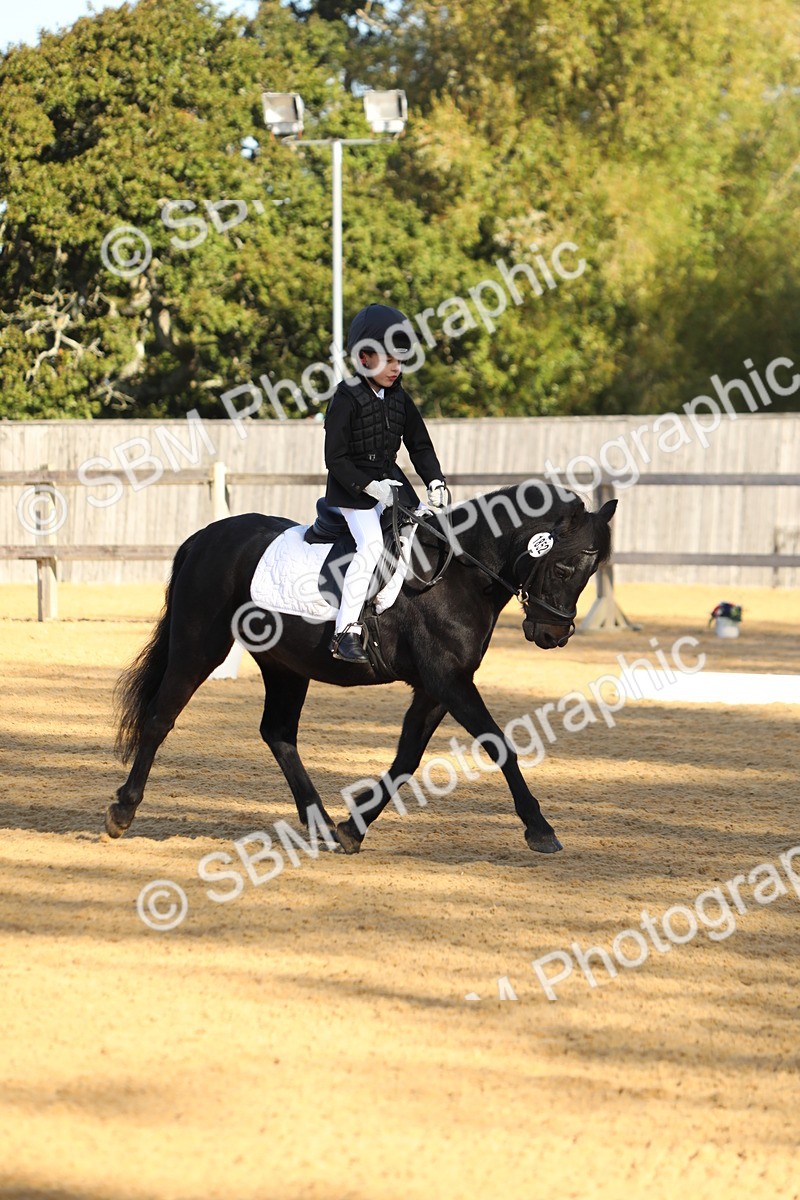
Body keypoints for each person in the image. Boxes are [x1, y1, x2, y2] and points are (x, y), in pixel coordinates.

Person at [323, 303, 448, 664]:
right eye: (389, 360)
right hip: (352, 490)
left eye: (400, 360)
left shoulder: (399, 399)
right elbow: (335, 459)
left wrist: (435, 480)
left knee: (421, 532)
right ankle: (345, 631)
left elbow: (420, 446)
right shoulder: (345, 398)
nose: (396, 368)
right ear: (364, 358)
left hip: (392, 483)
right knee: (372, 545)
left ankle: (384, 605)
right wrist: (368, 487)